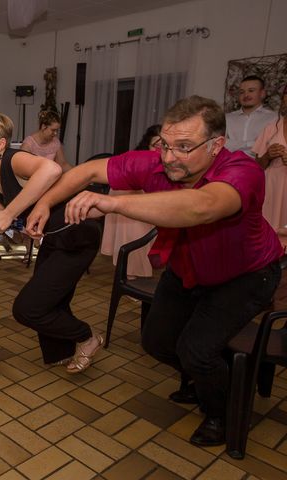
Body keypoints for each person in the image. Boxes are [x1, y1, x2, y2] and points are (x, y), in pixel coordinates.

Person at [27, 95, 282, 447]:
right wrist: (43, 202)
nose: (169, 156)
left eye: (184, 146)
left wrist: (114, 202)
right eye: (165, 144)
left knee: (197, 349)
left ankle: (222, 413)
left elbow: (202, 207)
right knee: (156, 341)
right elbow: (86, 170)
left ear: (216, 144)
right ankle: (209, 376)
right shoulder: (158, 164)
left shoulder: (242, 170)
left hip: (246, 275)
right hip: (187, 268)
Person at [0, 114, 105, 374]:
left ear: (0, 144)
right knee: (52, 300)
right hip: (54, 239)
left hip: (76, 237)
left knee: (27, 308)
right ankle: (62, 352)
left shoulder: (14, 160)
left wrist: (10, 213)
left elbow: (52, 169)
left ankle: (88, 337)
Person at [100, 125, 160, 278]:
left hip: (149, 201)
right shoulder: (138, 159)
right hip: (130, 195)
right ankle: (130, 273)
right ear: (147, 144)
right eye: (156, 145)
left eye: (163, 145)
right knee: (134, 228)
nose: (159, 149)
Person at [253, 85, 287, 230]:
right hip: (271, 188)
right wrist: (268, 156)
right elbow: (257, 167)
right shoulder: (271, 128)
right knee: (267, 234)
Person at [225, 75, 275, 158]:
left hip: (261, 168)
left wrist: (233, 144)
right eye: (242, 92)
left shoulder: (274, 118)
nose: (246, 95)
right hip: (229, 166)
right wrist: (254, 144)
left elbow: (269, 148)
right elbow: (220, 145)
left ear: (262, 94)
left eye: (251, 91)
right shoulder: (227, 118)